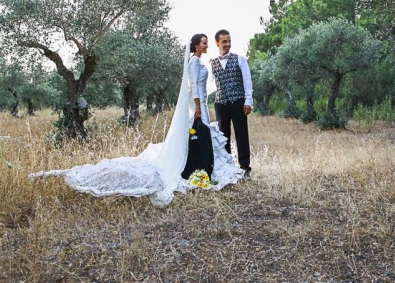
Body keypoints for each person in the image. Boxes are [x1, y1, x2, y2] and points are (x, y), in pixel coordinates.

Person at [29, 34, 246, 207]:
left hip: (199, 104)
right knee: (201, 133)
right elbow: (195, 87)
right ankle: (200, 167)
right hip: (198, 105)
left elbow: (201, 84)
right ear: (196, 46)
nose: (207, 46)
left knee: (201, 136)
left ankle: (204, 166)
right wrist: (198, 107)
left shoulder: (198, 61)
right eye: (204, 43)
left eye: (208, 43)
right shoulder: (193, 63)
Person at [210, 29, 253, 174]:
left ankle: (245, 167)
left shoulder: (240, 59)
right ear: (217, 43)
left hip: (238, 101)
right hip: (220, 103)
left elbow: (247, 81)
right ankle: (226, 166)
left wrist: (248, 101)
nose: (228, 44)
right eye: (224, 42)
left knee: (241, 134)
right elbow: (208, 85)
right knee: (223, 136)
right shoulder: (212, 63)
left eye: (229, 41)